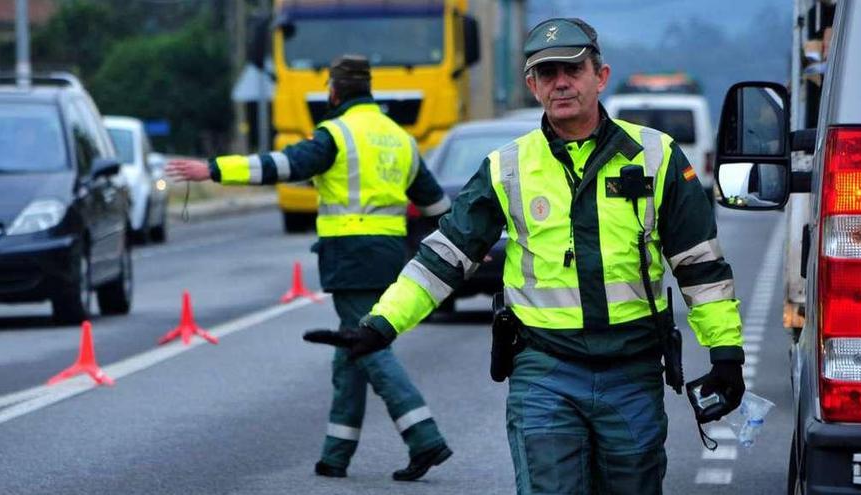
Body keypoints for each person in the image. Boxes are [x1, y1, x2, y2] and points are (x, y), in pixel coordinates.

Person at [305, 18, 746, 494]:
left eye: (572, 70)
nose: (561, 82)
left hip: (631, 371)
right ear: (532, 85)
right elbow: (444, 256)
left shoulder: (656, 156)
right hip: (545, 373)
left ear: (600, 76)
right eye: (547, 72)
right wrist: (380, 324)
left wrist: (726, 354)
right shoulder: (506, 167)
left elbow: (700, 265)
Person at [165, 54, 453, 482]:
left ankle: (424, 439)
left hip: (351, 259)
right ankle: (335, 456)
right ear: (369, 89)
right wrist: (460, 245)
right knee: (349, 354)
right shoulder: (399, 138)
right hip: (389, 257)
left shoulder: (336, 134)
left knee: (370, 348)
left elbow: (284, 165)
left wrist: (213, 168)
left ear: (334, 92)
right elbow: (435, 204)